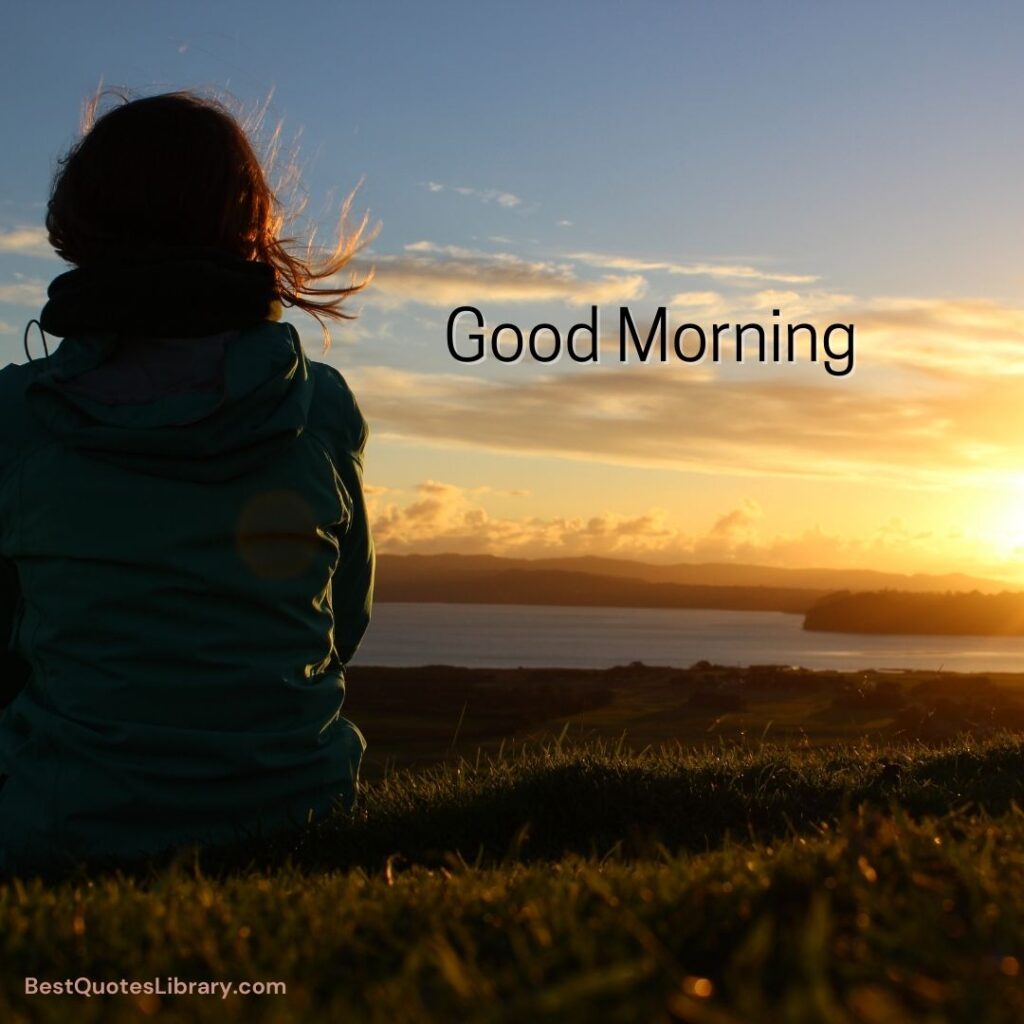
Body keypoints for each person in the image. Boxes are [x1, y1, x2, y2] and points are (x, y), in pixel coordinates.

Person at [0, 91, 376, 873]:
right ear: (248, 224)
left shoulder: (17, 418)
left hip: (63, 835)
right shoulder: (321, 406)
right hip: (304, 825)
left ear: (82, 223)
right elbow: (342, 623)